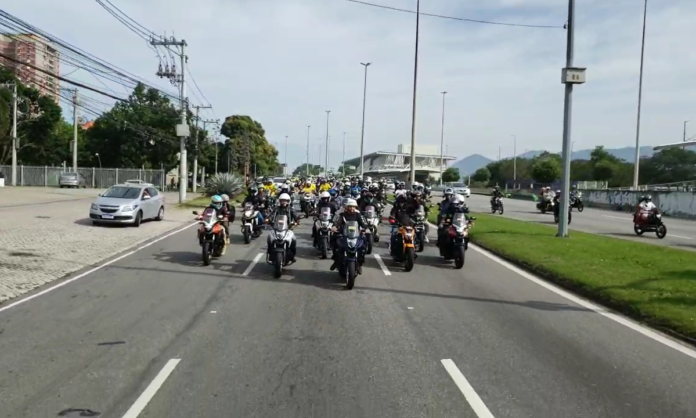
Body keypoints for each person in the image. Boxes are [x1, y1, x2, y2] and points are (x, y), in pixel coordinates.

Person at [329, 198, 368, 271]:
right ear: (347, 207)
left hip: (355, 235)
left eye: (353, 207)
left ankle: (359, 264)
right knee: (336, 244)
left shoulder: (358, 215)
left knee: (363, 246)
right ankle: (336, 261)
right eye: (350, 206)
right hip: (344, 234)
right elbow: (338, 223)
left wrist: (365, 228)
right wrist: (334, 227)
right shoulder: (342, 215)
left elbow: (363, 223)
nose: (352, 208)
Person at [266, 193, 299, 262]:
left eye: (285, 200)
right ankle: (270, 254)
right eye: (282, 200)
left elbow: (296, 216)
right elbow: (271, 214)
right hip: (276, 228)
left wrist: (296, 221)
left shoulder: (290, 209)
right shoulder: (276, 209)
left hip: (287, 228)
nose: (284, 202)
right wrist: (268, 219)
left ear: (288, 201)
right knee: (269, 238)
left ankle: (292, 256)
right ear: (279, 201)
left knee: (294, 240)